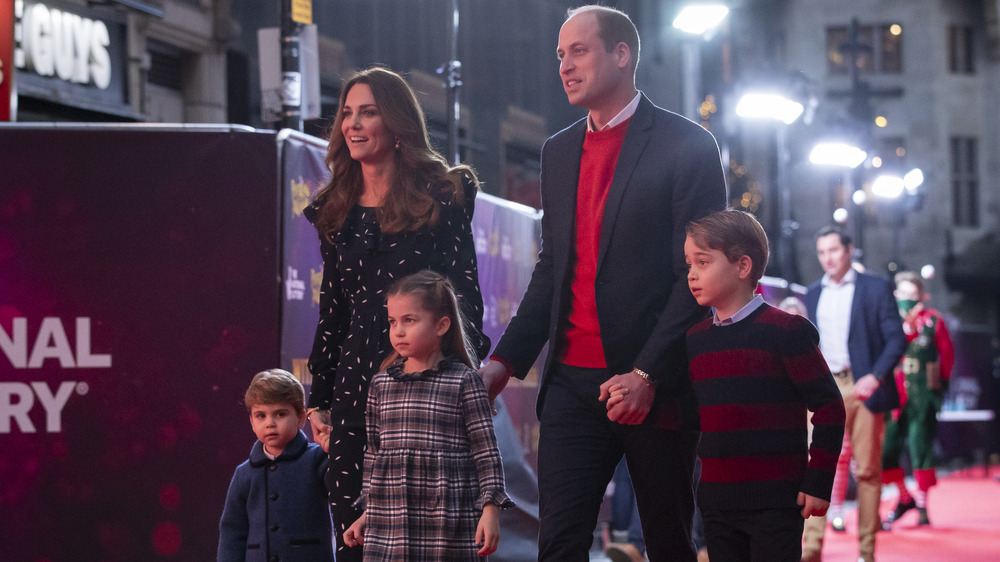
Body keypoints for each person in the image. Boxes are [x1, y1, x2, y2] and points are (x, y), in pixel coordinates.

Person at [478, 5, 728, 560]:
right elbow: (553, 269)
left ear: (622, 55)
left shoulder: (688, 146)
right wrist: (503, 362)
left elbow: (701, 276)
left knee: (667, 542)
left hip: (655, 384)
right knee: (560, 545)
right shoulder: (558, 151)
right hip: (570, 386)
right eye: (560, 55)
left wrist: (646, 373)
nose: (565, 66)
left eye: (579, 51)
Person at [303, 66, 491, 560]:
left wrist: (454, 372)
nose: (353, 124)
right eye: (347, 113)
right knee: (355, 537)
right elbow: (334, 309)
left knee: (425, 537)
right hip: (352, 386)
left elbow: (465, 297)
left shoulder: (441, 196)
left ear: (397, 123)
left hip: (424, 386)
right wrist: (318, 395)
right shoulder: (336, 207)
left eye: (368, 112)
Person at [669, 209, 845, 561]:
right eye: (689, 264)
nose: (692, 274)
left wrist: (818, 481)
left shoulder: (786, 331)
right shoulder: (695, 340)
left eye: (702, 262)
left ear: (743, 266)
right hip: (717, 504)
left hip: (776, 503)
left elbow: (829, 407)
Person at [343, 271, 514, 560]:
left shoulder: (464, 381)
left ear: (441, 325)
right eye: (392, 322)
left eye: (409, 320)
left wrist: (490, 510)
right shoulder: (381, 384)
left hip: (448, 520)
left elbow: (486, 452)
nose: (398, 331)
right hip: (391, 522)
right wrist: (368, 513)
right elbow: (374, 454)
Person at [801, 226, 907, 562]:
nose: (828, 258)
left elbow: (896, 338)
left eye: (833, 250)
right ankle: (812, 548)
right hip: (823, 386)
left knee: (867, 471)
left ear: (850, 250)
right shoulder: (813, 292)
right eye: (822, 252)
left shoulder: (875, 287)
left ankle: (866, 553)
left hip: (862, 387)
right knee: (815, 466)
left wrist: (875, 377)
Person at [218, 369, 334, 562]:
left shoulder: (318, 459)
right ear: (252, 422)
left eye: (280, 414)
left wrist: (335, 449)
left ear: (301, 418)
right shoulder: (243, 474)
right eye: (260, 416)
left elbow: (345, 491)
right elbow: (232, 532)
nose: (270, 423)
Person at [881, 271, 954, 529]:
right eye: (903, 294)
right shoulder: (887, 321)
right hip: (893, 394)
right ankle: (904, 498)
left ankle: (922, 505)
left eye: (913, 295)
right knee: (886, 450)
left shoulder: (933, 321)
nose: (908, 299)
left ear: (922, 296)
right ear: (895, 295)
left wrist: (939, 389)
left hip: (923, 394)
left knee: (921, 450)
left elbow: (945, 356)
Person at [781, 294, 853, 534]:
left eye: (798, 317)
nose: (794, 322)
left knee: (836, 459)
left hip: (817, 408)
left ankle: (821, 534)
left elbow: (829, 406)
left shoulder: (813, 353)